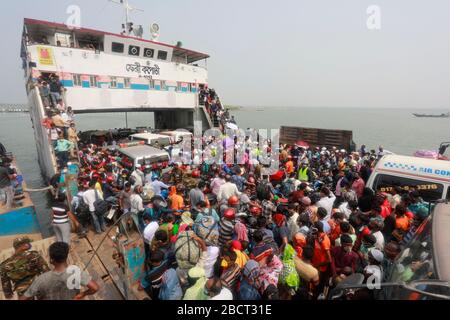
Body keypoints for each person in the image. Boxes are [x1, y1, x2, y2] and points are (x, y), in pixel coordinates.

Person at [22, 242, 99, 300]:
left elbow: (23, 298)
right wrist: (82, 294)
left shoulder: (41, 279)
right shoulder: (76, 272)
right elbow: (95, 288)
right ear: (66, 256)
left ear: (51, 260)